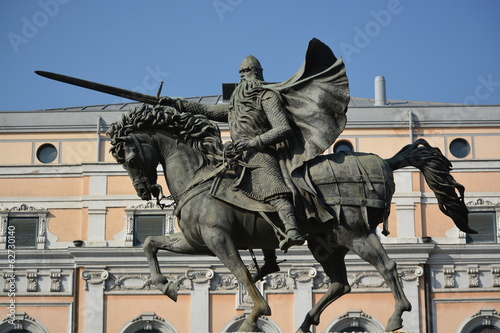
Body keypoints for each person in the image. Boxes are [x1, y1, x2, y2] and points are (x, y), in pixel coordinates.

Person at [161, 55, 306, 252]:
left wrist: (254, 142)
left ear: (258, 73)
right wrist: (176, 103)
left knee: (271, 187)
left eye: (248, 72)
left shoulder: (267, 96)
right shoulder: (235, 105)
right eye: (242, 73)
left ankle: (292, 229)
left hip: (261, 152)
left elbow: (283, 128)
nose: (245, 77)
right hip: (236, 156)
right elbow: (208, 111)